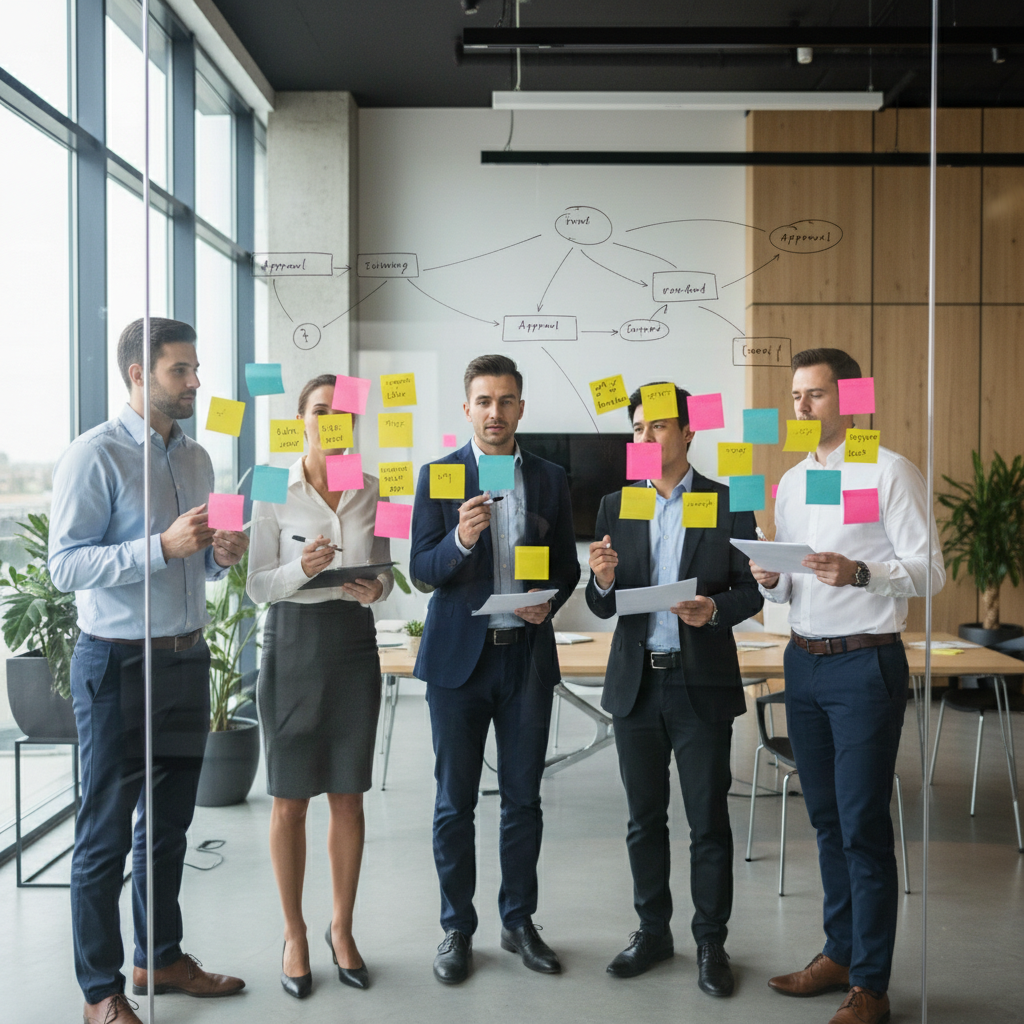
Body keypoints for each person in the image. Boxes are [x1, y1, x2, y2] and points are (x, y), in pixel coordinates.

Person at [48, 318, 248, 1024]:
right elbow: (65, 565)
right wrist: (160, 546)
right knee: (104, 833)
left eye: (196, 369)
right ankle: (101, 992)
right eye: (180, 370)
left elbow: (205, 566)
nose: (196, 382)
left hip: (187, 658)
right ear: (139, 375)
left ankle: (159, 958)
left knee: (166, 829)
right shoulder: (93, 456)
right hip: (118, 665)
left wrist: (219, 554)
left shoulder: (197, 459)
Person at [749, 348, 944, 1024]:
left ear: (851, 396)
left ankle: (871, 984)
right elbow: (794, 578)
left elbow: (931, 573)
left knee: (862, 825)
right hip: (803, 662)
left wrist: (862, 573)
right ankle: (837, 952)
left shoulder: (891, 471)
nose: (801, 407)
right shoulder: (792, 481)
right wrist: (773, 579)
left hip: (865, 666)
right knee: (826, 820)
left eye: (815, 395)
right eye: (796, 396)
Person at [585, 382, 762, 998]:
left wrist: (713, 608)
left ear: (688, 433)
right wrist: (602, 582)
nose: (646, 437)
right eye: (637, 428)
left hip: (700, 684)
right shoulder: (615, 505)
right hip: (637, 684)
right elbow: (600, 604)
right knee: (642, 819)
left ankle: (711, 941)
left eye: (658, 426)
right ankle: (652, 931)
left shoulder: (727, 500)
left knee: (709, 819)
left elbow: (751, 589)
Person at [409, 354, 580, 985]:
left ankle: (519, 922)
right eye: (484, 401)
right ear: (467, 409)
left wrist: (550, 601)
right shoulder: (439, 476)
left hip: (526, 660)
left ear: (521, 409)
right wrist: (458, 540)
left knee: (523, 802)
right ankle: (457, 927)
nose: (495, 412)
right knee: (454, 804)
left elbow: (566, 567)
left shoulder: (552, 478)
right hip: (458, 664)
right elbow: (420, 570)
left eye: (506, 400)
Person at [247, 373, 394, 998]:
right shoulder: (269, 486)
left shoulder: (373, 488)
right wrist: (297, 568)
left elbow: (386, 574)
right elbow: (254, 583)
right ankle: (295, 933)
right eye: (320, 411)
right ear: (302, 418)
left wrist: (375, 588)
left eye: (342, 415)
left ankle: (342, 928)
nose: (332, 422)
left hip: (353, 645)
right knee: (289, 799)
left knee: (349, 795)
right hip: (291, 644)